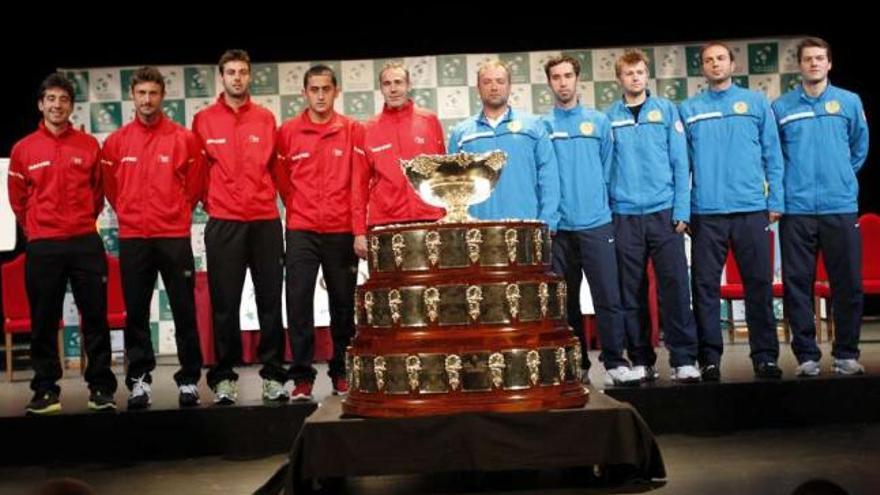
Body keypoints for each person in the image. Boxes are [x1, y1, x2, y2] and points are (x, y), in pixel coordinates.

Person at [8, 73, 118, 414]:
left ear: (72, 106)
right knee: (43, 320)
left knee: (96, 318)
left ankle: (100, 387)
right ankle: (45, 390)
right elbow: (18, 200)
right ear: (41, 104)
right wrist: (38, 229)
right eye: (51, 99)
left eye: (64, 100)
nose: (57, 105)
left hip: (85, 241)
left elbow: (98, 194)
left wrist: (82, 221)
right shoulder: (23, 149)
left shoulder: (88, 145)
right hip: (44, 245)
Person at [679, 42, 785, 381]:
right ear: (702, 68)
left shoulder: (755, 103)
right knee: (705, 289)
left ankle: (766, 357)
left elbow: (773, 154)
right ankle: (709, 359)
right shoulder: (689, 108)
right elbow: (681, 165)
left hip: (751, 209)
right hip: (706, 213)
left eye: (720, 58)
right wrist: (684, 209)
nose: (714, 64)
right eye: (708, 60)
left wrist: (776, 200)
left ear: (732, 64)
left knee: (758, 286)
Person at [101, 66, 205, 408]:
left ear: (162, 96)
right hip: (133, 238)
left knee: (184, 310)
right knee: (136, 313)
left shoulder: (183, 138)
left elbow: (195, 185)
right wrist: (131, 212)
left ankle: (189, 380)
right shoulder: (116, 142)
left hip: (173, 236)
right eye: (141, 93)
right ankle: (139, 380)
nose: (147, 100)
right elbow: (112, 189)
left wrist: (175, 211)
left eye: (153, 93)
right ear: (133, 96)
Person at [192, 49, 288, 403]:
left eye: (242, 72)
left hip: (264, 221)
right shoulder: (203, 120)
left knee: (269, 303)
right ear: (222, 76)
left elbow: (276, 170)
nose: (236, 78)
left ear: (249, 77)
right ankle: (223, 378)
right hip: (224, 224)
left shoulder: (265, 118)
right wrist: (213, 203)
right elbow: (198, 174)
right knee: (224, 304)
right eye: (230, 72)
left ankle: (274, 376)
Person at [773, 37, 869, 376]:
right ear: (799, 65)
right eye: (808, 59)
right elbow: (775, 156)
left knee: (848, 283)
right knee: (797, 284)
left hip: (839, 206)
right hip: (796, 210)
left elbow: (860, 147)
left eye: (820, 58)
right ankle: (807, 357)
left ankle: (846, 354)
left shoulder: (848, 102)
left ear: (829, 64)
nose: (814, 63)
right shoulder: (781, 107)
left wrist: (840, 177)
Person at [541, 55, 639, 386]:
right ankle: (576, 362)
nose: (563, 82)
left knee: (608, 297)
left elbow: (609, 169)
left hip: (597, 224)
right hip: (559, 230)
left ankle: (615, 362)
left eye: (568, 75)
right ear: (550, 83)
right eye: (556, 77)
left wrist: (601, 207)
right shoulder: (542, 127)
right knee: (564, 302)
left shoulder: (599, 122)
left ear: (577, 79)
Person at [604, 50, 700, 383]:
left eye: (640, 72)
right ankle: (641, 359)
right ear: (619, 78)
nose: (635, 78)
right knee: (630, 292)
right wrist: (609, 214)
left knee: (675, 288)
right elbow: (605, 171)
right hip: (624, 216)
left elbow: (680, 164)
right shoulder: (608, 118)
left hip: (664, 214)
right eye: (629, 73)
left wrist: (682, 211)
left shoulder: (666, 111)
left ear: (647, 76)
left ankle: (684, 358)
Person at [276, 65, 362, 400]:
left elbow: (358, 182)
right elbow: (283, 180)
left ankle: (341, 371)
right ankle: (301, 377)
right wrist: (298, 208)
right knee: (297, 303)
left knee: (343, 304)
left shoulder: (352, 129)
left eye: (326, 88)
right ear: (305, 93)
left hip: (340, 230)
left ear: (336, 91)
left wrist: (356, 228)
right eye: (314, 89)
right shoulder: (288, 132)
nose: (321, 95)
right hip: (301, 229)